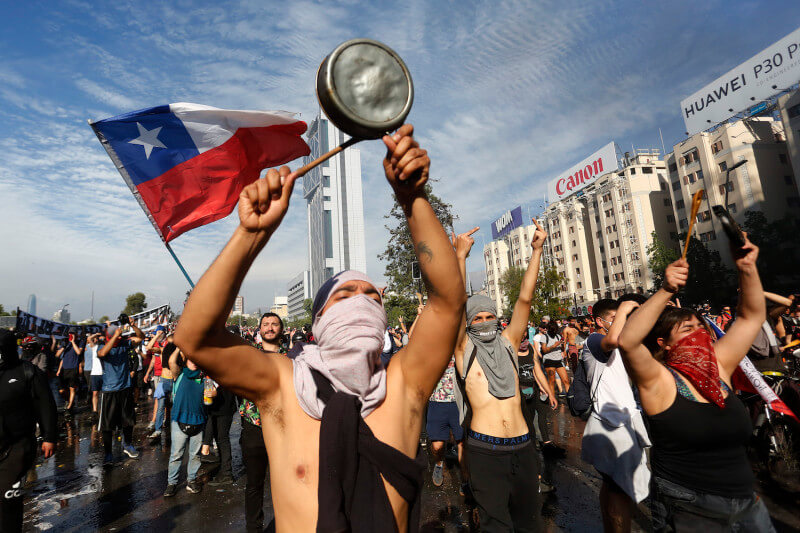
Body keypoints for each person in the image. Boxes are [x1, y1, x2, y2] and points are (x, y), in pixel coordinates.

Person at [175, 124, 465, 532]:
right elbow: (195, 338)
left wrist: (412, 198)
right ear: (319, 320)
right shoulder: (282, 383)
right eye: (344, 295)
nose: (361, 299)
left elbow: (448, 302)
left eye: (372, 296)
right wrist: (250, 236)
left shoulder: (404, 382)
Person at [618, 235, 775, 532]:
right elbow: (628, 341)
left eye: (701, 327)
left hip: (747, 505)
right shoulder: (658, 380)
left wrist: (747, 266)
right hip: (689, 508)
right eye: (687, 329)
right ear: (663, 344)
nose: (699, 333)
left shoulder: (721, 369)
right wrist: (666, 288)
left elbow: (752, 316)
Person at [453, 218, 547, 532]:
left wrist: (537, 251)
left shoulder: (508, 343)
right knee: (495, 526)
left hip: (523, 447)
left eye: (489, 316)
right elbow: (453, 307)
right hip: (484, 451)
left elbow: (525, 299)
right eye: (477, 317)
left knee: (529, 523)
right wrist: (460, 258)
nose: (483, 322)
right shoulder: (464, 349)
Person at [580, 296, 651, 533]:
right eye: (614, 317)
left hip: (627, 416)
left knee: (614, 485)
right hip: (610, 422)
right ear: (600, 322)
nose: (621, 321)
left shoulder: (624, 342)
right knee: (620, 488)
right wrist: (623, 309)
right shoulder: (594, 339)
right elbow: (612, 339)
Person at [0, 329, 57, 533]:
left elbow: (46, 405)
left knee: (9, 501)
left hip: (18, 446)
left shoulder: (28, 372)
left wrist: (49, 437)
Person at [238, 313, 287, 533]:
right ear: (259, 330)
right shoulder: (251, 358)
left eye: (274, 324)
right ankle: (254, 528)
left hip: (284, 427)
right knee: (254, 484)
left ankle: (288, 525)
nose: (270, 328)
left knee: (285, 483)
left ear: (281, 329)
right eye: (266, 324)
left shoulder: (291, 358)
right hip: (254, 426)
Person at [164, 343, 208, 497]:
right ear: (186, 360)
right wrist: (179, 348)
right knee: (176, 455)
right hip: (179, 419)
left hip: (199, 420)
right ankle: (172, 483)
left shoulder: (205, 377)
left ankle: (191, 480)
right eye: (191, 359)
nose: (194, 362)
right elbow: (171, 363)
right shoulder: (180, 373)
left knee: (195, 455)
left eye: (197, 360)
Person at [97, 320, 144, 465]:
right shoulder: (102, 346)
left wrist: (133, 325)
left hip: (125, 389)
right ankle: (109, 454)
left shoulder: (125, 344)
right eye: (118, 336)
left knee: (128, 421)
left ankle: (128, 445)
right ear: (110, 337)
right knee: (107, 425)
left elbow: (140, 337)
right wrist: (114, 337)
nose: (121, 337)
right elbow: (102, 353)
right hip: (109, 391)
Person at [537, 322, 569, 397]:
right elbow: (544, 350)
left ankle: (570, 399)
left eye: (555, 330)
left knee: (566, 380)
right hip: (549, 360)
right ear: (548, 329)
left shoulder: (558, 336)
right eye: (552, 330)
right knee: (552, 381)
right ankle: (552, 400)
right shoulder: (544, 337)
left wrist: (562, 345)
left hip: (558, 360)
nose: (554, 332)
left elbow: (562, 348)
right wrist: (554, 345)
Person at [55, 334, 84, 414]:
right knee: (61, 391)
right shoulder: (65, 342)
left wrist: (73, 342)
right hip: (64, 369)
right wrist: (59, 370)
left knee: (72, 388)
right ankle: (69, 401)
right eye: (69, 334)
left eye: (73, 334)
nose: (71, 336)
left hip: (73, 368)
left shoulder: (79, 342)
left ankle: (69, 407)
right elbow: (58, 356)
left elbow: (78, 352)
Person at [85, 332, 104, 414]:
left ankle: (103, 409)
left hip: (104, 373)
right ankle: (95, 410)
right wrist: (96, 334)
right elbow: (89, 339)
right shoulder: (94, 347)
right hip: (95, 373)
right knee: (95, 393)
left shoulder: (105, 348)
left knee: (104, 393)